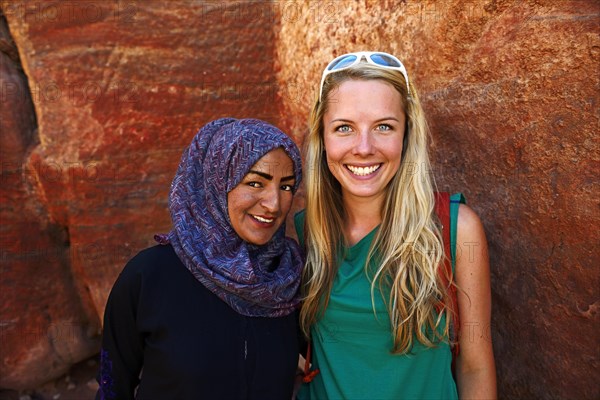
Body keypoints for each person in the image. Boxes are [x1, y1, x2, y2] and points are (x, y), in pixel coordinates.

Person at [295, 52, 497, 399]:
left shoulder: (454, 230)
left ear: (406, 135)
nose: (363, 148)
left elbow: (475, 368)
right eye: (344, 128)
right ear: (322, 137)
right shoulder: (304, 231)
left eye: (384, 127)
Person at [96, 118, 304, 399]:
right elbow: (113, 385)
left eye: (287, 187)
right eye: (255, 183)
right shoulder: (150, 277)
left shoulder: (289, 279)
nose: (274, 204)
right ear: (216, 181)